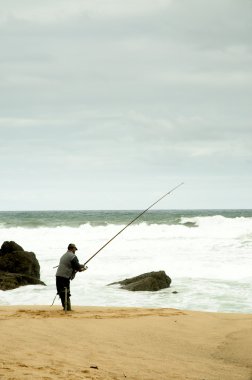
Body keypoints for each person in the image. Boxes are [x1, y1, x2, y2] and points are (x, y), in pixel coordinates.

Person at [56, 243, 86, 311]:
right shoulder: (72, 256)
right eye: (75, 249)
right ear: (72, 249)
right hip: (64, 277)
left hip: (58, 276)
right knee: (66, 292)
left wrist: (81, 266)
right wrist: (82, 269)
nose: (75, 251)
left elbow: (72, 265)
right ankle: (68, 308)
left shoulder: (64, 255)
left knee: (61, 292)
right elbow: (77, 267)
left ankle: (65, 307)